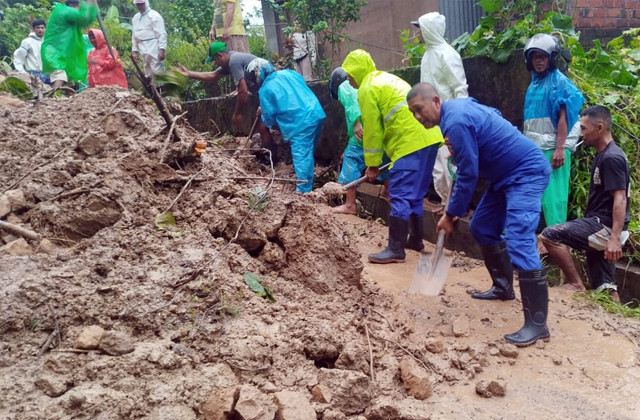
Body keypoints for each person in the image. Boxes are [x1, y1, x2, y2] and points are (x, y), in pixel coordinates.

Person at [407, 82, 551, 347]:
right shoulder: (458, 111)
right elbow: (493, 115)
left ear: (436, 101)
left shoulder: (456, 122)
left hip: (525, 172)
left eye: (419, 109)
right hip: (502, 175)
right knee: (483, 225)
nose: (417, 116)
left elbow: (469, 174)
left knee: (519, 238)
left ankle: (537, 324)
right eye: (412, 112)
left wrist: (450, 215)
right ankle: (502, 287)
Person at [342, 50, 443, 264]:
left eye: (350, 76)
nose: (349, 81)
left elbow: (373, 130)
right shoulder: (385, 78)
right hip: (429, 137)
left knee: (399, 192)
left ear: (358, 72)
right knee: (415, 194)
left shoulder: (367, 88)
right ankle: (415, 240)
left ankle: (396, 249)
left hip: (410, 141)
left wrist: (372, 165)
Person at [540, 106, 630, 303]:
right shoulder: (604, 154)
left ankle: (574, 284)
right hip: (601, 224)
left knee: (550, 235)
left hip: (604, 226)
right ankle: (616, 320)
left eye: (583, 128)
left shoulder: (611, 158)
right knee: (605, 287)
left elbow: (620, 199)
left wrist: (614, 238)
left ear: (599, 128)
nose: (580, 134)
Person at [523, 33, 584, 228]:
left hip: (553, 148)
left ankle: (556, 240)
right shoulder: (534, 83)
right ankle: (539, 236)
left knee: (554, 198)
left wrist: (560, 148)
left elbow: (563, 118)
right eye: (534, 57)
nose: (538, 61)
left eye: (542, 56)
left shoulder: (559, 82)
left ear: (551, 58)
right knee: (532, 193)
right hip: (536, 148)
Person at [413, 12, 468, 206]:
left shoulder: (448, 54)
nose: (416, 33)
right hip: (431, 121)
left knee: (450, 164)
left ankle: (455, 207)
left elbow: (460, 88)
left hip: (449, 119)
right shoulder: (427, 56)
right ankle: (446, 204)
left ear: (428, 29)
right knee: (438, 167)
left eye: (419, 29)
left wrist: (461, 120)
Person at [245, 58, 325, 193]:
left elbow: (268, 120)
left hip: (300, 123)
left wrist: (264, 110)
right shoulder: (289, 73)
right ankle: (305, 176)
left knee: (302, 155)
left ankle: (303, 192)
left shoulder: (265, 89)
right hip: (316, 114)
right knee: (307, 153)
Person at [177, 42, 257, 127]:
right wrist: (189, 73)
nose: (215, 63)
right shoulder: (230, 61)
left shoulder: (234, 62)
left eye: (214, 60)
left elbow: (243, 91)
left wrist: (237, 113)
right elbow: (214, 75)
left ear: (220, 55)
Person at [41, 0, 98, 89]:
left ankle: (67, 100)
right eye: (80, 7)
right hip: (54, 53)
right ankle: (50, 98)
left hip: (61, 55)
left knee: (69, 82)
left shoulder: (68, 18)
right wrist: (92, 3)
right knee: (61, 76)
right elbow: (85, 18)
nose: (80, 10)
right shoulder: (63, 11)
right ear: (73, 6)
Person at [131, 0, 167, 78]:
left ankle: (160, 89)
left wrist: (162, 49)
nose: (140, 6)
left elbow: (161, 33)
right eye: (138, 5)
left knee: (157, 71)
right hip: (142, 47)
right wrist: (135, 51)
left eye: (141, 4)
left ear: (146, 3)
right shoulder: (135, 18)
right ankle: (151, 89)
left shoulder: (154, 16)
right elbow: (134, 35)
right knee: (147, 72)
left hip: (153, 46)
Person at [13, 19, 49, 84]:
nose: (40, 30)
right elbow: (18, 58)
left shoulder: (47, 41)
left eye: (42, 28)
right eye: (37, 28)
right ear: (33, 29)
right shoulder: (27, 42)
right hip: (33, 74)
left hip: (47, 73)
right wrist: (22, 72)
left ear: (45, 29)